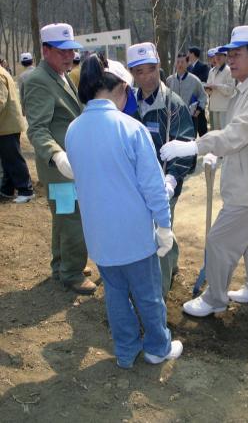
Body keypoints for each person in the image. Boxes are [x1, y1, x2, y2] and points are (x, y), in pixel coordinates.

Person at [65, 54, 183, 369]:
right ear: (121, 89)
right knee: (147, 296)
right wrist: (164, 226)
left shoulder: (74, 130)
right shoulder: (130, 128)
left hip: (99, 237)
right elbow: (153, 186)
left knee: (116, 296)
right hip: (133, 236)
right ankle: (158, 346)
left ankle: (126, 351)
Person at [161, 25, 248, 315]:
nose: (230, 59)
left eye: (237, 54)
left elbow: (237, 133)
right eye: (229, 54)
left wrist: (196, 146)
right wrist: (217, 152)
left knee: (218, 241)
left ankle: (215, 298)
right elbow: (237, 134)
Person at [23, 23, 96, 295]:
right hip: (60, 168)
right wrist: (56, 155)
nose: (69, 56)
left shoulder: (60, 75)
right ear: (45, 50)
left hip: (67, 164)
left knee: (64, 217)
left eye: (71, 51)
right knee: (73, 218)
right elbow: (37, 128)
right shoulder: (38, 80)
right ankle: (72, 273)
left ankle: (61, 264)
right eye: (62, 51)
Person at [127, 42, 196, 298]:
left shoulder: (173, 105)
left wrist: (171, 179)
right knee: (147, 232)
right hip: (137, 183)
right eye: (139, 71)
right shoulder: (129, 104)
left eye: (151, 69)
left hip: (165, 183)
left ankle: (161, 291)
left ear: (159, 67)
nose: (146, 77)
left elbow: (187, 144)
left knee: (162, 235)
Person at [0, 62, 34, 203]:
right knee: (7, 159)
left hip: (7, 124)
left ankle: (26, 190)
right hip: (7, 123)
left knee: (13, 158)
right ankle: (7, 189)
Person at [166, 53, 208, 137]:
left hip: (190, 117)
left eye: (182, 62)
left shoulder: (194, 80)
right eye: (178, 62)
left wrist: (198, 110)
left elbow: (203, 96)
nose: (180, 64)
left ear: (188, 63)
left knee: (189, 141)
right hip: (174, 117)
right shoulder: (170, 80)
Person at [205, 46, 236, 130]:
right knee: (214, 132)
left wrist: (217, 86)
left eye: (221, 55)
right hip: (213, 106)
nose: (218, 57)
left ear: (225, 57)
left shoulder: (229, 70)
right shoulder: (212, 71)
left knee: (224, 132)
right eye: (216, 55)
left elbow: (230, 90)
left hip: (224, 108)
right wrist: (208, 89)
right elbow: (209, 89)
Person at [187, 46, 209, 136]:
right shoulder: (188, 68)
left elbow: (203, 79)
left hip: (198, 98)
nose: (187, 55)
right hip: (188, 99)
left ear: (192, 54)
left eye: (189, 53)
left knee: (201, 122)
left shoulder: (203, 66)